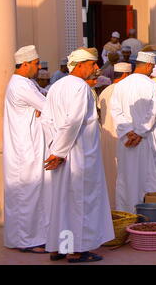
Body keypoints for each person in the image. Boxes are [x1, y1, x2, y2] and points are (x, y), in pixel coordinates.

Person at [41, 47, 114, 263]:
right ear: (80, 65)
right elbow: (73, 121)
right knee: (80, 203)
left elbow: (46, 120)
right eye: (92, 64)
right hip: (77, 154)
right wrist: (60, 152)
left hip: (60, 152)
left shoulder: (57, 86)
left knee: (62, 202)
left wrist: (54, 148)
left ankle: (59, 247)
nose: (96, 68)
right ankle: (77, 250)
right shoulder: (79, 87)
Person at [3, 45, 49, 254]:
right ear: (25, 64)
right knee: (26, 195)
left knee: (31, 194)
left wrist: (41, 108)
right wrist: (41, 109)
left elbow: (44, 99)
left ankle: (29, 238)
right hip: (25, 150)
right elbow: (47, 106)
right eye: (36, 63)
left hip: (30, 147)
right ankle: (27, 241)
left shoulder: (27, 83)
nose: (39, 67)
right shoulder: (21, 85)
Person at [110, 52, 156, 213]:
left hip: (127, 140)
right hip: (146, 140)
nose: (152, 71)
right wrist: (139, 133)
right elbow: (153, 112)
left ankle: (127, 215)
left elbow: (116, 111)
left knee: (127, 179)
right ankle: (149, 215)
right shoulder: (152, 85)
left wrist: (129, 132)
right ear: (147, 65)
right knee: (148, 178)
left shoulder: (120, 85)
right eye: (152, 67)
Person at [99, 62, 132, 209]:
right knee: (122, 176)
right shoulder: (126, 91)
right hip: (122, 138)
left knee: (109, 175)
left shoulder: (105, 91)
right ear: (126, 75)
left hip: (106, 139)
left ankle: (110, 209)